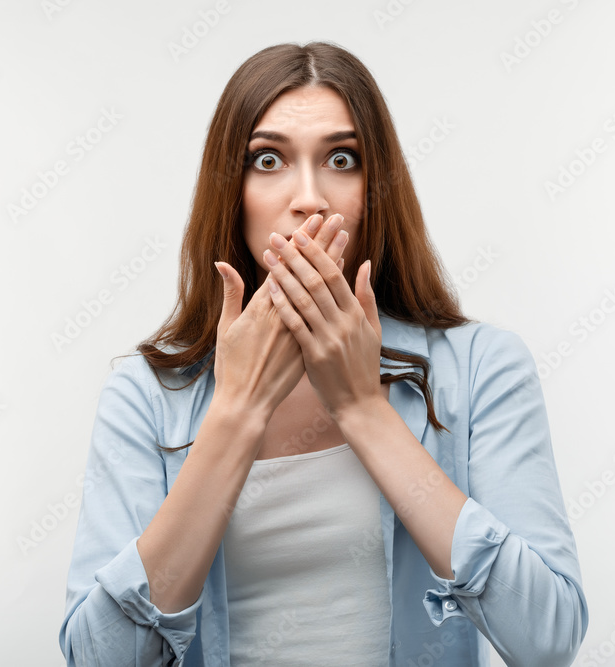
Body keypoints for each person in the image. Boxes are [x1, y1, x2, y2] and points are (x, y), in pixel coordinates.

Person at [59, 41, 588, 667]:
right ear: (232, 192)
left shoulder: (481, 367)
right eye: (268, 160)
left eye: (342, 159)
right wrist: (236, 413)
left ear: (376, 189)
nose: (309, 197)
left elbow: (548, 638)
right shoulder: (145, 396)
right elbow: (99, 659)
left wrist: (363, 407)